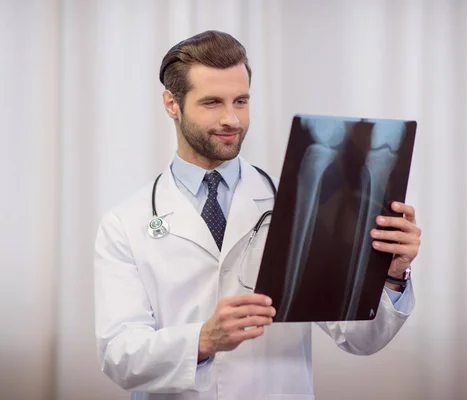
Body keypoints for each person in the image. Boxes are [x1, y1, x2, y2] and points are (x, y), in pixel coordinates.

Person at [94, 30, 421, 400]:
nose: (232, 119)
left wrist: (391, 276)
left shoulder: (299, 203)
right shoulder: (125, 222)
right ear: (172, 104)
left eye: (241, 101)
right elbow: (118, 354)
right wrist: (203, 340)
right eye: (212, 102)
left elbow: (360, 339)